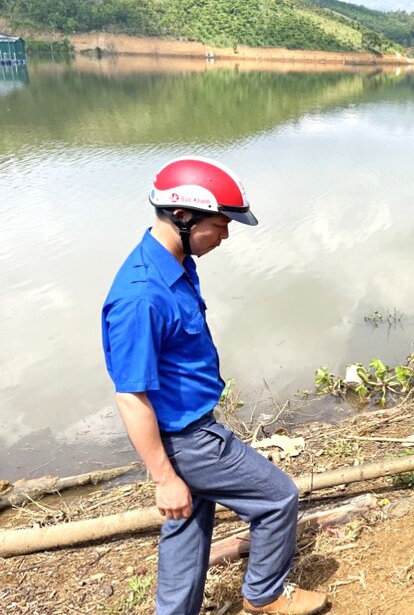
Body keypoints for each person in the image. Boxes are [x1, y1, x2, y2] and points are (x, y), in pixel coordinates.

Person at [101, 157, 329, 615]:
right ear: (182, 216)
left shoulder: (173, 262)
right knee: (277, 497)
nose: (225, 235)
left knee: (187, 528)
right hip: (188, 440)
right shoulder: (141, 295)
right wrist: (164, 477)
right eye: (221, 224)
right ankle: (265, 595)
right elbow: (130, 394)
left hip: (188, 429)